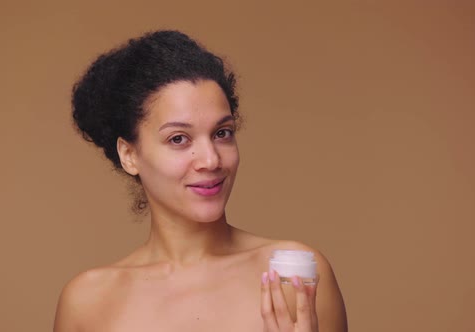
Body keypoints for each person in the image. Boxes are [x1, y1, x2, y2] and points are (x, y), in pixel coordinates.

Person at [53, 30, 347, 332]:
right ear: (129, 155)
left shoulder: (295, 276)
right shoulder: (88, 302)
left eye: (222, 133)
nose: (211, 160)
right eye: (178, 138)